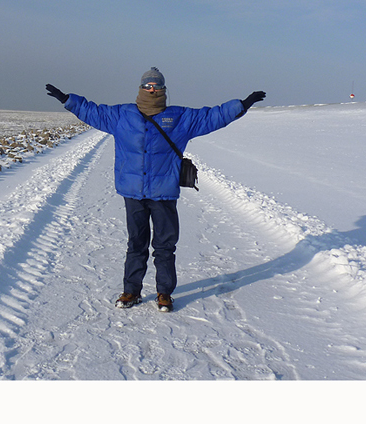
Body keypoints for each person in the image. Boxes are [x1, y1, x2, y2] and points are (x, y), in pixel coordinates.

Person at [46, 68, 265, 312]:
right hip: (134, 192)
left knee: (164, 246)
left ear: (163, 90)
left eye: (157, 86)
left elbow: (211, 117)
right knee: (136, 244)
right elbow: (92, 111)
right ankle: (131, 291)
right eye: (148, 85)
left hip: (164, 192)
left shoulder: (179, 117)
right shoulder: (122, 115)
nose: (152, 89)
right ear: (140, 88)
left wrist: (242, 105)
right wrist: (68, 100)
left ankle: (164, 293)